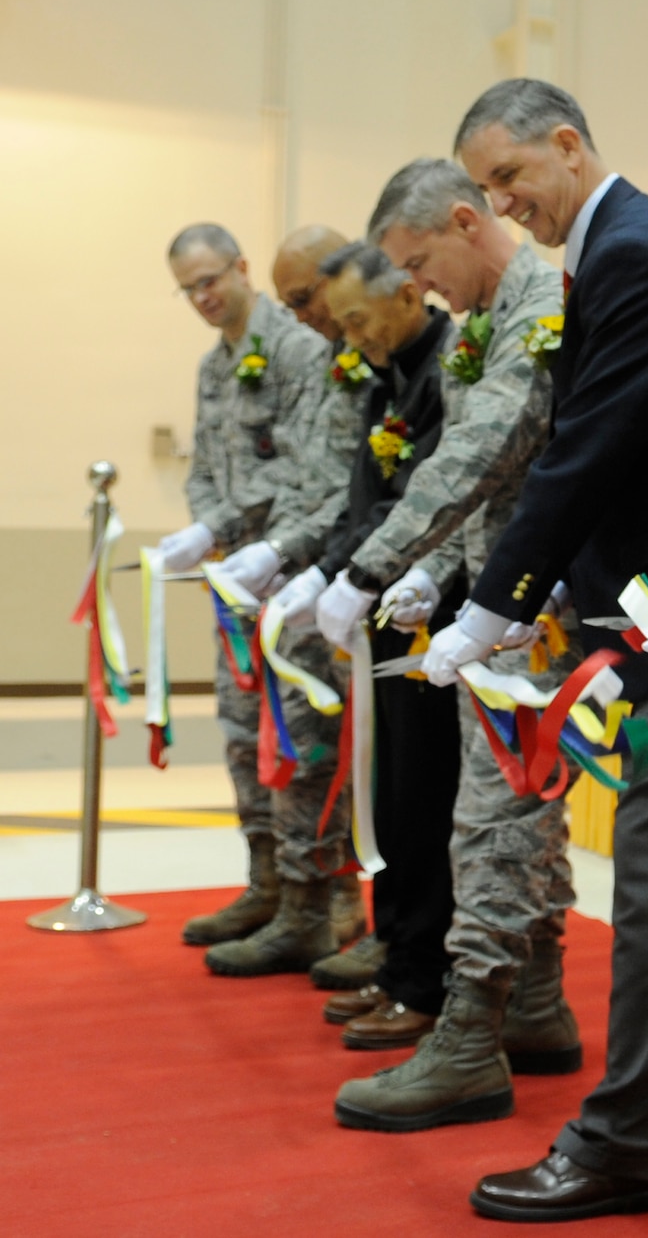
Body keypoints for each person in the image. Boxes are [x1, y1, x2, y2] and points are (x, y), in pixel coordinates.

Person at [413, 79, 648, 1224]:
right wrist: (556, 599)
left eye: (509, 177)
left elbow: (586, 450)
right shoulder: (624, 245)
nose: (501, 202)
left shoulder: (635, 251)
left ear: (567, 146)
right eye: (484, 188)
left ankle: (627, 1139)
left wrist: (492, 602)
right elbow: (630, 455)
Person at [305, 158, 577, 1129]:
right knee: (517, 815)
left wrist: (373, 567)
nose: (417, 287)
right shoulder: (483, 322)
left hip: (536, 599)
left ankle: (472, 1033)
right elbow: (486, 478)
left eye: (419, 263)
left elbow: (486, 449)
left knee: (493, 821)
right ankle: (536, 1007)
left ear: (464, 224)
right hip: (499, 591)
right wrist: (432, 567)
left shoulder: (539, 301)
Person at [268, 242, 465, 1040]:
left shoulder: (449, 365)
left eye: (355, 318)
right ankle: (397, 960)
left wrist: (361, 571)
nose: (348, 336)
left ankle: (426, 978)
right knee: (385, 795)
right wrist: (329, 571)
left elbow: (434, 493)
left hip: (434, 610)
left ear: (406, 293)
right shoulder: (384, 372)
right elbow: (364, 497)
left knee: (422, 800)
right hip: (381, 598)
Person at [159, 223, 363, 966]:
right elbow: (203, 461)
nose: (204, 296)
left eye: (212, 278)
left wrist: (225, 521)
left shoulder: (300, 348)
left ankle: (327, 894)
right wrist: (203, 522)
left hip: (292, 572)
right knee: (247, 734)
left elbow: (308, 469)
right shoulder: (216, 367)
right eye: (190, 288)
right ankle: (268, 882)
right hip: (237, 580)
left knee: (303, 738)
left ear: (243, 267)